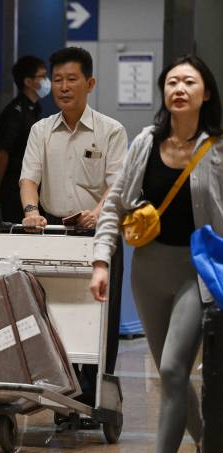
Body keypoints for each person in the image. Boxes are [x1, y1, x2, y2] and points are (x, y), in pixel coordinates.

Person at [90, 55, 223, 452]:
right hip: (148, 270)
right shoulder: (145, 142)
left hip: (196, 271)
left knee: (171, 367)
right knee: (174, 378)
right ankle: (206, 441)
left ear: (207, 93)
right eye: (172, 83)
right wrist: (100, 260)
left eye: (189, 82)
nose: (179, 89)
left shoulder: (216, 149)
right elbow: (114, 205)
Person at [19, 47, 127, 427]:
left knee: (99, 320)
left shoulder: (111, 131)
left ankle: (97, 398)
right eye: (58, 80)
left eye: (72, 79)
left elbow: (117, 187)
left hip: (100, 233)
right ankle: (66, 398)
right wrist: (32, 212)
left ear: (90, 83)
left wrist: (97, 213)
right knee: (57, 316)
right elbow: (29, 178)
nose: (63, 87)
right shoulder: (40, 130)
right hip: (54, 231)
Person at [0, 55, 49, 223]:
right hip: (14, 187)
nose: (47, 81)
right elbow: (1, 154)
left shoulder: (34, 110)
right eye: (42, 76)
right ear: (28, 82)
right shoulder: (14, 113)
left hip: (35, 184)